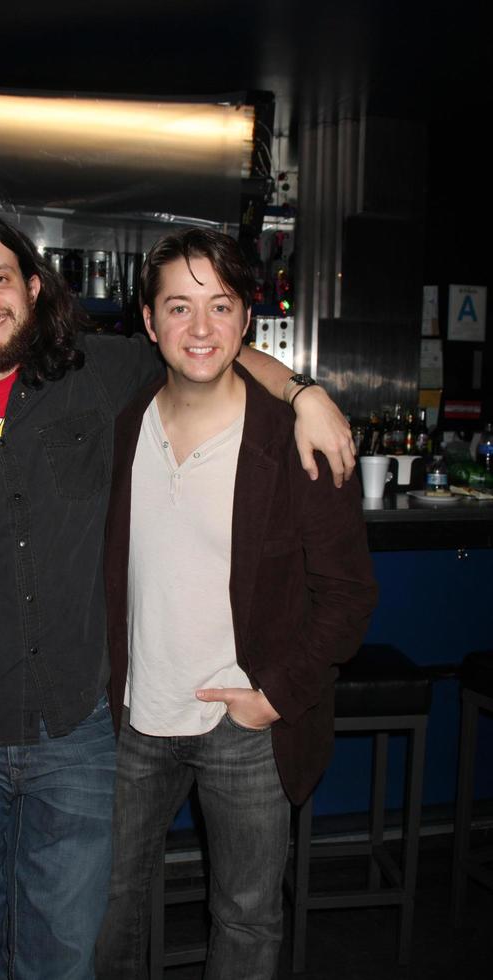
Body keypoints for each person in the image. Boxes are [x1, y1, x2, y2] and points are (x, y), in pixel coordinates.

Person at [0, 211, 355, 980]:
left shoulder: (95, 378)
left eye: (0, 277)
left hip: (77, 736)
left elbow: (205, 342)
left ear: (32, 287)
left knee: (72, 953)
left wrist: (306, 391)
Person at [96, 229, 378, 979]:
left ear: (246, 320)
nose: (200, 329)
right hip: (134, 718)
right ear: (149, 323)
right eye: (178, 307)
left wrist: (275, 696)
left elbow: (348, 596)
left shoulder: (295, 439)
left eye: (219, 306)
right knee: (107, 909)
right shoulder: (124, 427)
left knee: (248, 920)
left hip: (244, 724)